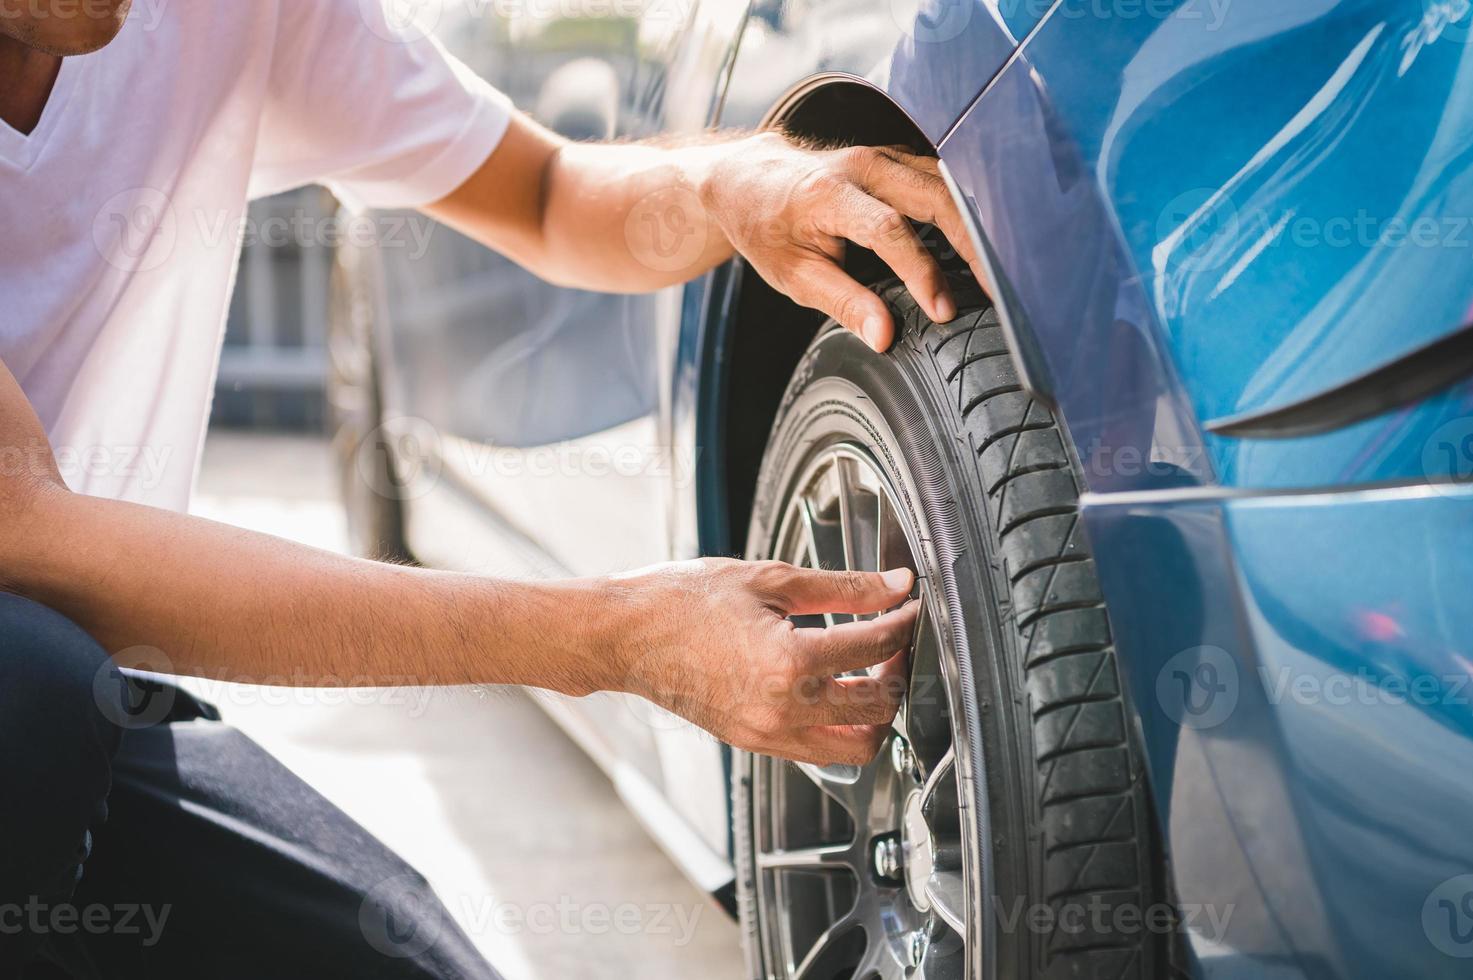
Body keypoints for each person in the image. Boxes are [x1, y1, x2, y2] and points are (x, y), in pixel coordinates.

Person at [0, 0, 983, 975]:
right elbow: (27, 534)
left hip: (85, 709)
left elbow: (544, 191)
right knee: (30, 696)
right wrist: (615, 634)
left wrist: (725, 185)